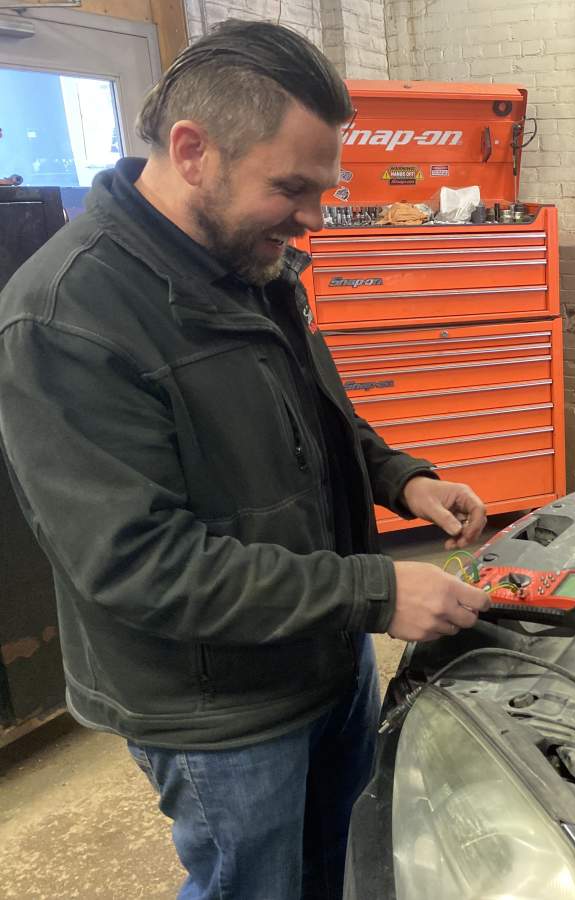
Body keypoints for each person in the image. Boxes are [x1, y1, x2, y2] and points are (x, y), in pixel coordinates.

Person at [0, 19, 492, 899]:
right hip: (220, 709)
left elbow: (318, 416)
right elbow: (140, 564)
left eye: (322, 190)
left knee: (341, 867)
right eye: (291, 187)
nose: (313, 219)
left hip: (325, 652)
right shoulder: (67, 317)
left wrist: (401, 478)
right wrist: (377, 591)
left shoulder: (251, 262)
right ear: (194, 151)